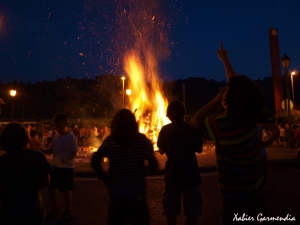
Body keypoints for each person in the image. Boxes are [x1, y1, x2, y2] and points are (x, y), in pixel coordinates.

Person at [191, 42, 266, 225]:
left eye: (225, 94)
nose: (223, 92)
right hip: (255, 186)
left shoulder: (221, 124)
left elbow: (194, 123)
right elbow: (236, 82)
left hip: (234, 193)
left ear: (227, 102)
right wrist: (225, 60)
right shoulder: (250, 115)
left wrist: (215, 100)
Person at [91, 109, 158, 225]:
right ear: (133, 124)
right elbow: (154, 164)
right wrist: (143, 171)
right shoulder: (142, 141)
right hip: (137, 197)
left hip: (117, 197)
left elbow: (95, 160)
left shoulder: (110, 142)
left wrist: (105, 178)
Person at [157, 100, 203, 225]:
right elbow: (199, 149)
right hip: (191, 175)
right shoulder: (192, 129)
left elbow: (161, 150)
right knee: (192, 212)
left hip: (172, 175)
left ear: (168, 116)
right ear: (185, 114)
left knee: (171, 211)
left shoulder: (165, 130)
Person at [0, 122, 53, 225]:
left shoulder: (2, 161)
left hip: (8, 213)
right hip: (33, 211)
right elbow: (45, 181)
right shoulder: (36, 157)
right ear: (27, 140)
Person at [41, 113, 78, 223]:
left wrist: (67, 158)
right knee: (51, 188)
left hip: (67, 168)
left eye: (60, 126)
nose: (58, 129)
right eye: (56, 126)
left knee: (66, 190)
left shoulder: (71, 137)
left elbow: (74, 152)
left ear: (67, 124)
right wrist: (42, 150)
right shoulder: (56, 136)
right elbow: (51, 150)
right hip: (55, 167)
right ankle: (56, 206)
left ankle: (68, 210)